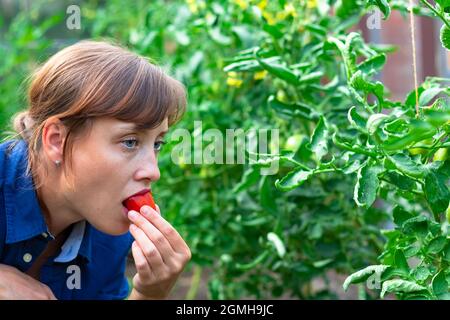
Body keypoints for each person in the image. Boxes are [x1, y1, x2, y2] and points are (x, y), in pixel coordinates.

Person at [0, 40, 191, 300]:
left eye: (157, 144)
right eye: (130, 141)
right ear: (56, 140)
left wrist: (149, 293)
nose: (153, 171)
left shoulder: (110, 239)